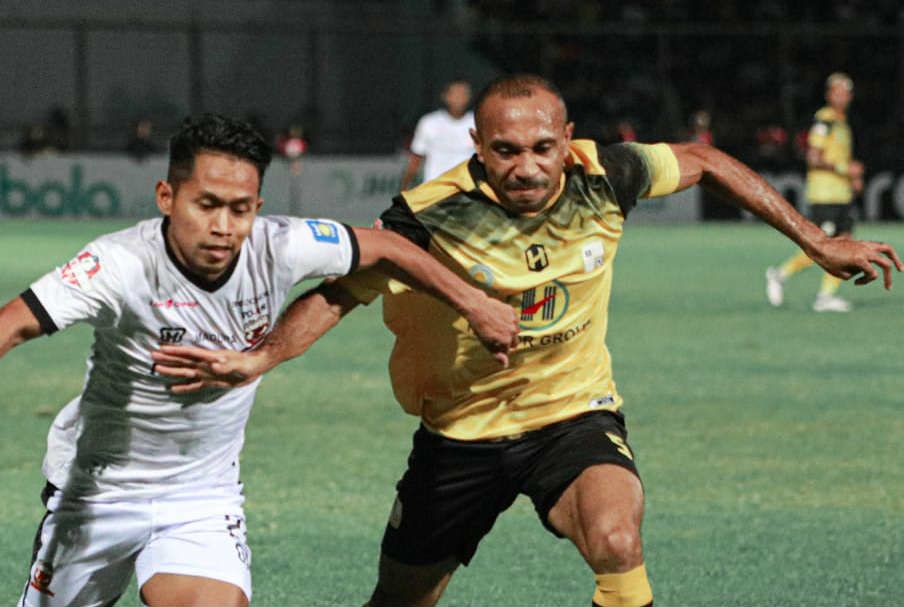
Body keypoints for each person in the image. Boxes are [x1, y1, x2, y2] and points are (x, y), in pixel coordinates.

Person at [151, 75, 901, 607]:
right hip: (461, 433)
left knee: (615, 536)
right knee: (400, 596)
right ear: (478, 144)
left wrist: (818, 239)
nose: (527, 166)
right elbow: (344, 290)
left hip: (572, 415)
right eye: (506, 150)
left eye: (543, 146)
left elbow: (704, 162)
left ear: (567, 140)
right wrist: (261, 356)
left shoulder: (606, 174)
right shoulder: (430, 214)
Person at [0, 113, 517, 606]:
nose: (224, 226)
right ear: (168, 197)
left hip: (200, 497)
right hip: (94, 489)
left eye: (240, 209)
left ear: (260, 207)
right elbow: (12, 322)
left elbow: (388, 246)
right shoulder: (119, 263)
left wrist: (475, 305)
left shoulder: (281, 243)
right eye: (207, 205)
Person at [766, 72, 865, 312]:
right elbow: (813, 157)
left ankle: (826, 296)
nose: (842, 97)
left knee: (844, 245)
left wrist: (852, 178)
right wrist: (845, 169)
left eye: (846, 92)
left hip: (840, 194)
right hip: (825, 195)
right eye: (837, 91)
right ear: (829, 94)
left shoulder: (842, 122)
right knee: (823, 247)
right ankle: (780, 274)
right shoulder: (824, 120)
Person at [400, 78, 475, 190]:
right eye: (456, 94)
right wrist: (404, 187)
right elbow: (416, 158)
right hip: (435, 191)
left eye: (464, 94)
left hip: (467, 192)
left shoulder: (478, 122)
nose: (460, 98)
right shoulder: (429, 122)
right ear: (445, 96)